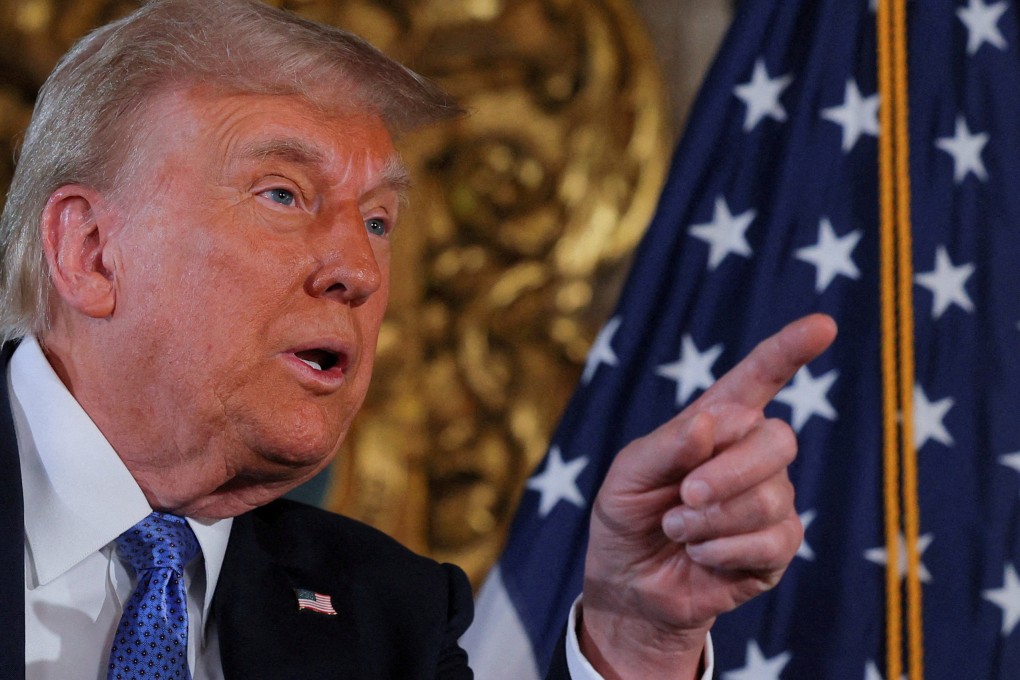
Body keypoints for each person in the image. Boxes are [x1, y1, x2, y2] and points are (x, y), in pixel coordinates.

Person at [0, 0, 837, 678]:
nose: (358, 269)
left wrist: (638, 639)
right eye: (285, 195)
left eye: (377, 220)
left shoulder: (388, 614)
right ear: (91, 251)